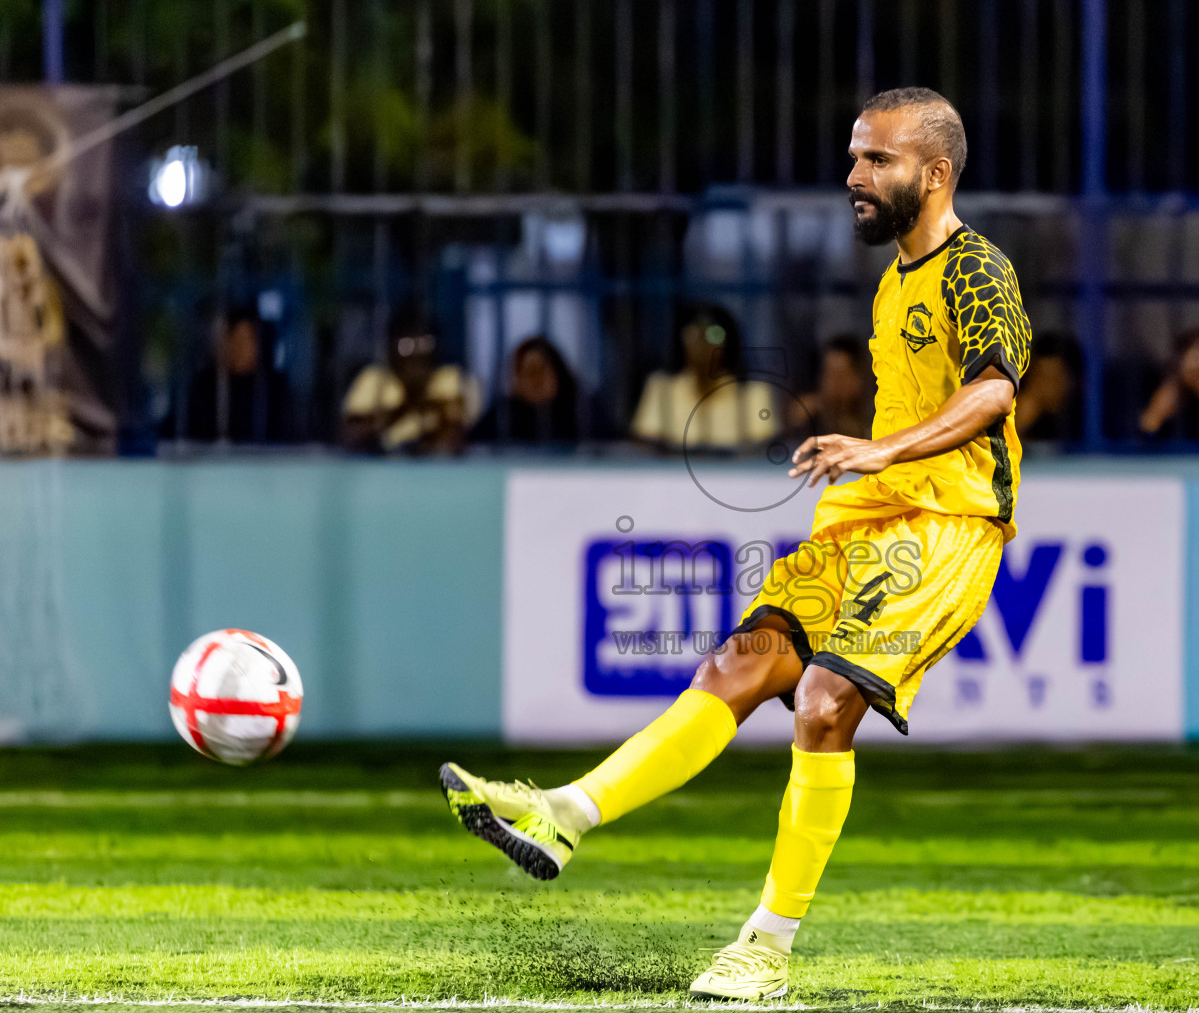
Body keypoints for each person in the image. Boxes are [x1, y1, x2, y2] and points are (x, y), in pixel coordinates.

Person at [439, 87, 1029, 1000]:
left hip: (946, 523)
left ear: (936, 174)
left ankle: (767, 947)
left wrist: (881, 449)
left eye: (877, 159)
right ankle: (566, 813)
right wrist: (873, 464)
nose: (853, 175)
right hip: (868, 517)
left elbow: (995, 389)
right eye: (853, 155)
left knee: (823, 703)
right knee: (736, 665)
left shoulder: (977, 269)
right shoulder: (894, 281)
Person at [630, 302, 778, 450]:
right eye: (693, 335)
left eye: (714, 335)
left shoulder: (752, 390)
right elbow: (646, 440)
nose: (703, 345)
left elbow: (763, 445)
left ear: (729, 341)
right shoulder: (663, 386)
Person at [341, 305, 481, 455]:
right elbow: (350, 437)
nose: (416, 353)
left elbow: (455, 439)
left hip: (434, 464)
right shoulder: (375, 379)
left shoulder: (450, 378)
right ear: (391, 346)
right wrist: (402, 408)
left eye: (425, 344)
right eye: (406, 346)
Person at [176, 306, 292, 443]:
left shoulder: (275, 388)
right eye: (236, 339)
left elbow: (288, 438)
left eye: (249, 339)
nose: (242, 347)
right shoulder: (205, 385)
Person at [470, 337, 582, 445]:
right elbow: (472, 445)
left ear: (558, 372)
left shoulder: (581, 412)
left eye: (541, 370)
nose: (536, 380)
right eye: (528, 373)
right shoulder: (503, 415)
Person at [789, 334, 877, 439]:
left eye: (840, 376)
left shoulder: (875, 418)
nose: (833, 384)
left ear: (859, 378)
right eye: (828, 375)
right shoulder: (812, 416)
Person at [1013, 334, 1081, 443]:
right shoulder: (1021, 412)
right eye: (1039, 377)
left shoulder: (1090, 421)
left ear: (1073, 381)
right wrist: (1018, 424)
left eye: (1054, 379)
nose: (1045, 388)